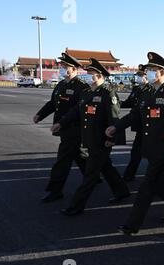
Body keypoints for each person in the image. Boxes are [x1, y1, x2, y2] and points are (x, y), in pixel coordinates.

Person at [109, 52, 164, 233]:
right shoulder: (146, 92)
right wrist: (116, 127)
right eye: (148, 70)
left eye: (152, 70)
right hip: (151, 148)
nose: (149, 73)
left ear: (161, 72)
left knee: (147, 187)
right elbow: (134, 115)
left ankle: (132, 225)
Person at [51, 58, 131, 216]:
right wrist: (61, 123)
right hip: (89, 138)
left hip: (102, 140)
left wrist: (111, 139)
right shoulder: (87, 92)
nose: (88, 76)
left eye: (91, 74)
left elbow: (114, 118)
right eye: (87, 73)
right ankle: (121, 191)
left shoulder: (108, 93)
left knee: (90, 175)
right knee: (106, 168)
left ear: (100, 76)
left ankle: (76, 206)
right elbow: (76, 111)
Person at [34, 53, 90, 203]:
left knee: (62, 161)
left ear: (74, 69)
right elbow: (53, 103)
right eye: (62, 66)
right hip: (64, 128)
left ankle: (55, 190)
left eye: (66, 67)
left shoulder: (82, 87)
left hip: (74, 129)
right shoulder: (61, 85)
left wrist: (62, 123)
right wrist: (40, 115)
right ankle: (93, 177)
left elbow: (79, 110)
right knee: (79, 156)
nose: (62, 69)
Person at [120, 64, 150, 182]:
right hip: (139, 126)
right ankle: (129, 175)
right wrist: (117, 103)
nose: (138, 77)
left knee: (153, 155)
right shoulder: (137, 89)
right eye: (138, 75)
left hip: (150, 127)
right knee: (136, 152)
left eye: (141, 75)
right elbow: (130, 103)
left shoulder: (151, 89)